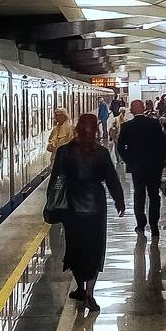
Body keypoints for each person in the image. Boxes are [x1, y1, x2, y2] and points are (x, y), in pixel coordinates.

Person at [52, 112, 125, 312]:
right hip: (96, 206)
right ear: (95, 130)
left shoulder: (64, 151)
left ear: (76, 128)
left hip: (72, 206)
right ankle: (90, 294)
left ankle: (81, 288)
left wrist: (53, 202)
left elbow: (58, 179)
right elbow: (111, 178)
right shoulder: (101, 152)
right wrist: (119, 200)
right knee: (95, 248)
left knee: (76, 247)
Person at [116, 99, 166, 239]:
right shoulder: (154, 123)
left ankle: (140, 225)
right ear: (143, 109)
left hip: (137, 167)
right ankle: (154, 226)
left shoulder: (127, 126)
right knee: (154, 195)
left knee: (139, 195)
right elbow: (163, 143)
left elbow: (120, 147)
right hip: (154, 166)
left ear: (131, 110)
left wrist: (129, 160)